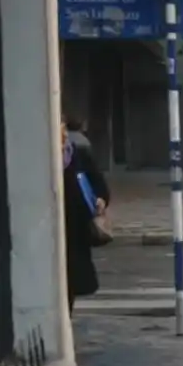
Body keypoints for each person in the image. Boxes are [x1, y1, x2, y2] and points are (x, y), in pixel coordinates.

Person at [61, 118, 110, 312]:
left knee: (71, 284)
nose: (63, 136)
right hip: (53, 228)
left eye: (64, 131)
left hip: (77, 229)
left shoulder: (78, 156)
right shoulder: (44, 160)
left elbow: (99, 185)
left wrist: (101, 199)